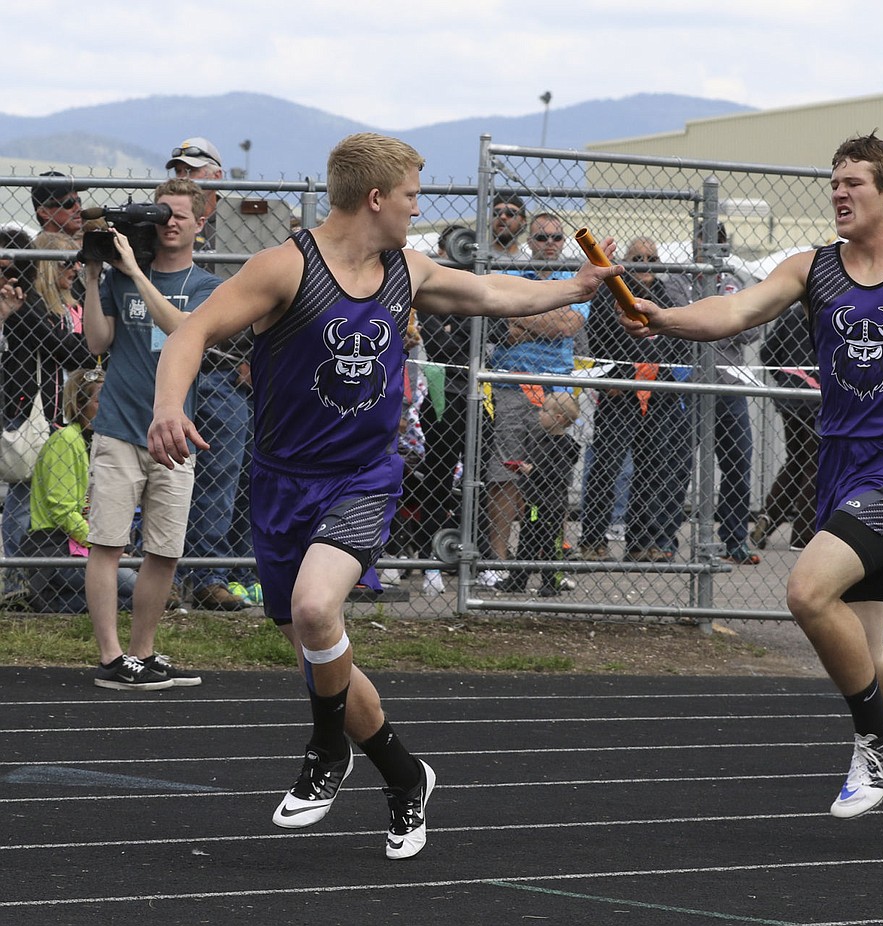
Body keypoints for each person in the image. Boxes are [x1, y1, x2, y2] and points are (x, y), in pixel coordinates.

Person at [146, 133, 619, 858]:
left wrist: (574, 288)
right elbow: (193, 333)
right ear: (375, 199)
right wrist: (169, 406)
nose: (416, 208)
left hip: (365, 474)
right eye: (411, 196)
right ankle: (404, 777)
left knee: (315, 608)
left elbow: (490, 293)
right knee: (318, 648)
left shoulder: (407, 268)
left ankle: (326, 753)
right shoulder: (284, 267)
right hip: (282, 484)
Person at [617, 133, 883, 845]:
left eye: (853, 183)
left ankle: (875, 740)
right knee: (862, 654)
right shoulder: (813, 267)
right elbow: (739, 310)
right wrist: (663, 319)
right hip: (837, 463)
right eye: (833, 182)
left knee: (807, 592)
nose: (838, 193)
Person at [83, 177, 220, 691]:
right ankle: (110, 657)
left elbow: (185, 330)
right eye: (162, 213)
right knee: (108, 542)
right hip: (119, 425)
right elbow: (98, 341)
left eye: (180, 215)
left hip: (174, 433)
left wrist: (136, 273)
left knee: (164, 549)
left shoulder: (206, 286)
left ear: (200, 224)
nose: (169, 222)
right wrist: (97, 275)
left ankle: (142, 652)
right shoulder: (119, 278)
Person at [479, 211, 590, 588]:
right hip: (512, 385)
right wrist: (546, 318)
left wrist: (525, 316)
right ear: (529, 242)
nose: (548, 245)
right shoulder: (512, 278)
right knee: (505, 473)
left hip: (557, 388)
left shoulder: (575, 281)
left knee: (552, 479)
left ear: (564, 243)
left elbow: (569, 325)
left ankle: (550, 565)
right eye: (541, 238)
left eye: (556, 238)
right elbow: (503, 325)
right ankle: (498, 561)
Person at [167, 136, 255, 611]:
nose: (185, 177)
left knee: (222, 476)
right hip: (169, 371)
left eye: (194, 170)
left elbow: (269, 301)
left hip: (223, 370)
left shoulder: (246, 227)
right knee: (162, 472)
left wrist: (253, 359)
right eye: (178, 169)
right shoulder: (162, 224)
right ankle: (162, 574)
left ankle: (209, 576)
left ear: (216, 179)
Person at [578, 236, 694, 562]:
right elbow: (598, 335)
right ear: (627, 261)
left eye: (652, 257)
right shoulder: (611, 291)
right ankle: (593, 541)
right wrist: (609, 379)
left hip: (658, 393)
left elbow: (675, 337)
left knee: (653, 468)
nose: (646, 263)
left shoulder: (664, 293)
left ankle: (642, 542)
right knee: (607, 467)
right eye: (639, 257)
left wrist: (669, 381)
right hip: (619, 392)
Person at [1, 235, 95, 575]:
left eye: (77, 261)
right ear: (47, 263)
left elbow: (83, 349)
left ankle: (41, 574)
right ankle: (15, 576)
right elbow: (69, 350)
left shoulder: (75, 301)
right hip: (35, 409)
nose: (75, 268)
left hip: (66, 412)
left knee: (56, 497)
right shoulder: (30, 304)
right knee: (24, 495)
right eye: (66, 261)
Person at [22, 368, 138, 614]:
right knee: (141, 591)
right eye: (100, 401)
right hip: (56, 547)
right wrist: (102, 547)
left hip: (86, 544)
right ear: (81, 405)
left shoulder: (101, 442)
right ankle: (51, 600)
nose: (110, 407)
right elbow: (62, 509)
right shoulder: (66, 441)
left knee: (148, 594)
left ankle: (61, 603)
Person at [696, 223, 764, 566]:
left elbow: (753, 328)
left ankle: (735, 539)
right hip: (689, 385)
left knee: (738, 462)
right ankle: (662, 540)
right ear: (696, 243)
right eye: (706, 240)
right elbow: (685, 322)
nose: (712, 248)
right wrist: (725, 319)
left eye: (719, 242)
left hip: (729, 385)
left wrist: (717, 321)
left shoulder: (736, 281)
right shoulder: (681, 277)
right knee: (676, 464)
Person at [415, 224, 476, 597]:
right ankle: (429, 559)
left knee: (478, 478)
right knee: (437, 476)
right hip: (440, 395)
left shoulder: (475, 284)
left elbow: (483, 336)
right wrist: (456, 330)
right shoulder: (429, 288)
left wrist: (458, 330)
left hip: (476, 393)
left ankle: (475, 558)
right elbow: (440, 344)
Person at [751, 302, 820, 552]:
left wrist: (786, 378)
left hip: (791, 396)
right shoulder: (841, 312)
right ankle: (803, 534)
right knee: (815, 464)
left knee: (796, 461)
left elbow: (768, 352)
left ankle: (767, 519)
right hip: (820, 398)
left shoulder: (792, 313)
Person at [499, 391, 582, 596]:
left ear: (558, 418)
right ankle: (518, 579)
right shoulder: (539, 439)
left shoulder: (564, 446)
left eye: (544, 410)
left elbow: (559, 477)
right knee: (527, 541)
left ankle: (551, 582)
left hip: (551, 506)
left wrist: (534, 471)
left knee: (550, 544)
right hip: (534, 504)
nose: (539, 413)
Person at [30, 171, 87, 242]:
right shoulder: (38, 251)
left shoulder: (89, 245)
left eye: (78, 201)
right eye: (68, 203)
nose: (78, 208)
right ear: (44, 212)